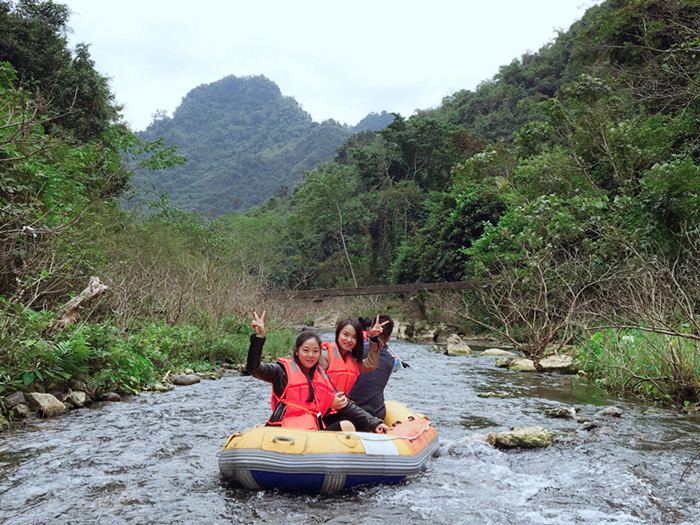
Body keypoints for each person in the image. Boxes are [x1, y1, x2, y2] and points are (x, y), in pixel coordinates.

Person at [246, 311, 389, 433]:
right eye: (306, 351)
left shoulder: (321, 376)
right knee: (347, 423)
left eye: (315, 351)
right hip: (285, 431)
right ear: (297, 351)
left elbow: (347, 406)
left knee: (352, 422)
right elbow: (254, 369)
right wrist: (258, 339)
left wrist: (375, 423)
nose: (311, 356)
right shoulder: (281, 372)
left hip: (313, 432)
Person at [319, 315, 389, 394]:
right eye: (345, 335)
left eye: (354, 337)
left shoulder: (352, 359)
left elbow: (371, 364)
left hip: (341, 403)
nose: (349, 340)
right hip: (325, 403)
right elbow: (316, 384)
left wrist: (373, 339)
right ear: (338, 333)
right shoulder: (325, 354)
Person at [349, 315, 395, 427]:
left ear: (370, 330)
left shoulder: (355, 349)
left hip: (350, 408)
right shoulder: (390, 360)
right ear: (389, 338)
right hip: (377, 411)